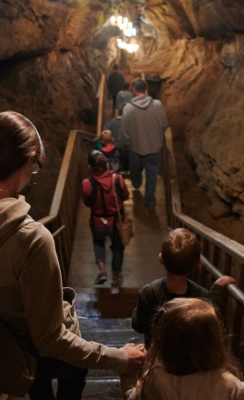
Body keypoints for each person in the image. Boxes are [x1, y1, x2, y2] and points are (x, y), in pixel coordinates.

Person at [0, 111, 144, 400]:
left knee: (35, 388)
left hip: (7, 352)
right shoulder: (31, 239)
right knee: (73, 374)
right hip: (48, 354)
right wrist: (120, 357)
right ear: (29, 159)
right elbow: (51, 338)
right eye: (35, 166)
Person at [122, 298, 244, 399]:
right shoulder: (222, 383)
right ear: (213, 343)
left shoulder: (153, 380)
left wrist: (128, 371)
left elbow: (130, 397)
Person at [132, 228, 235, 349]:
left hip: (157, 359)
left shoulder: (149, 292)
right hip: (190, 362)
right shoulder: (202, 296)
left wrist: (137, 311)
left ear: (161, 259)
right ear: (198, 263)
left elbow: (139, 326)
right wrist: (217, 292)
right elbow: (212, 321)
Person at [81, 150, 130, 287]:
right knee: (118, 248)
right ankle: (115, 277)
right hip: (116, 222)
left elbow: (87, 203)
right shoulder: (118, 179)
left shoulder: (86, 183)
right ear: (106, 165)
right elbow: (125, 196)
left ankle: (102, 272)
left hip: (97, 221)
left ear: (90, 166)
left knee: (98, 244)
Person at [119, 79, 168, 211]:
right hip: (155, 149)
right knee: (152, 176)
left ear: (134, 90)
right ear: (145, 89)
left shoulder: (128, 108)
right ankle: (150, 202)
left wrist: (124, 143)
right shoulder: (157, 105)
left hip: (136, 149)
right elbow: (164, 125)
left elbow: (124, 131)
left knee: (135, 170)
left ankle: (136, 184)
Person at [105, 107, 128, 171]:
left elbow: (105, 131)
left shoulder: (112, 122)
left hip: (113, 149)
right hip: (125, 150)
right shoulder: (127, 123)